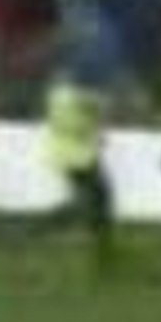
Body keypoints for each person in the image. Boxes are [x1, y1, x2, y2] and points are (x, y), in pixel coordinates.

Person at [40, 69, 115, 273]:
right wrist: (97, 126)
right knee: (95, 193)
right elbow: (89, 114)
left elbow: (96, 108)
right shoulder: (71, 97)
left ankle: (86, 229)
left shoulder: (58, 96)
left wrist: (97, 124)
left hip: (69, 154)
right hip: (77, 155)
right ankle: (81, 230)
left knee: (90, 193)